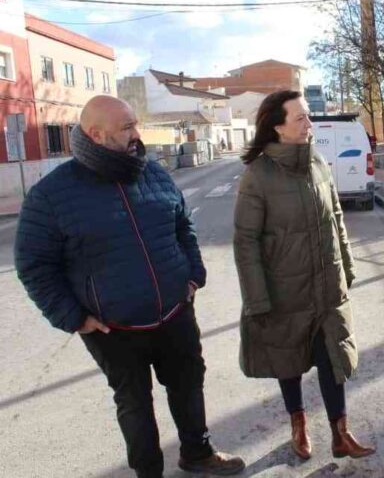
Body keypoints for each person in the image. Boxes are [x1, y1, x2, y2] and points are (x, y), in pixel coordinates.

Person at [14, 96, 245, 478]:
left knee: (188, 385)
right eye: (127, 128)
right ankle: (148, 472)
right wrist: (74, 317)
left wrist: (192, 276)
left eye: (135, 125)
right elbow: (34, 265)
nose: (137, 135)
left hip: (174, 313)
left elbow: (182, 225)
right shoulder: (51, 195)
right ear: (97, 135)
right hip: (113, 329)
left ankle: (197, 452)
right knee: (135, 403)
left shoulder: (152, 173)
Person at [234, 90, 374, 461]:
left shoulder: (318, 163)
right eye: (301, 118)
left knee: (333, 357)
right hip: (285, 290)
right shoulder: (258, 175)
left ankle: (341, 433)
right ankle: (298, 426)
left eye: (308, 116)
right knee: (289, 360)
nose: (310, 124)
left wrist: (346, 266)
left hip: (326, 284)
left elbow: (336, 220)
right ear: (277, 127)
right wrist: (257, 298)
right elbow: (245, 242)